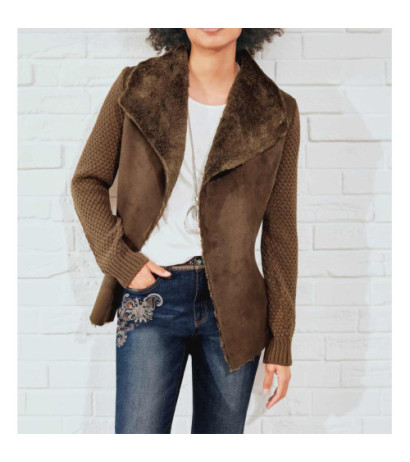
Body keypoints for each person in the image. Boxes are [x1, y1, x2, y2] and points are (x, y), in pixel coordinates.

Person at [71, 28, 300, 434]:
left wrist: (281, 337)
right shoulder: (137, 86)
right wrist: (122, 261)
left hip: (236, 308)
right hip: (153, 295)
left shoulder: (277, 110)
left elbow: (280, 231)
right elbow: (87, 181)